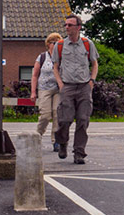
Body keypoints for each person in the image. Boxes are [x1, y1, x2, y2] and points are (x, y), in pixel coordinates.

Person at [52, 14, 99, 164]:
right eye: (65, 25)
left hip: (84, 86)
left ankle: (79, 153)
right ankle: (63, 143)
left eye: (70, 25)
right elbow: (55, 66)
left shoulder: (87, 44)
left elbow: (94, 63)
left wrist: (91, 81)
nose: (67, 27)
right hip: (67, 86)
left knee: (83, 120)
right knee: (64, 119)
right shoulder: (59, 45)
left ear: (78, 27)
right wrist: (60, 83)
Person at [31, 32, 63, 151]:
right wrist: (33, 92)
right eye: (53, 43)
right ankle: (37, 137)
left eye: (58, 43)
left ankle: (56, 141)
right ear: (48, 44)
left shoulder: (62, 57)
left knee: (57, 114)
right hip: (44, 88)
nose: (56, 45)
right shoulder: (42, 57)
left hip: (58, 89)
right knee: (45, 115)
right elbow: (34, 75)